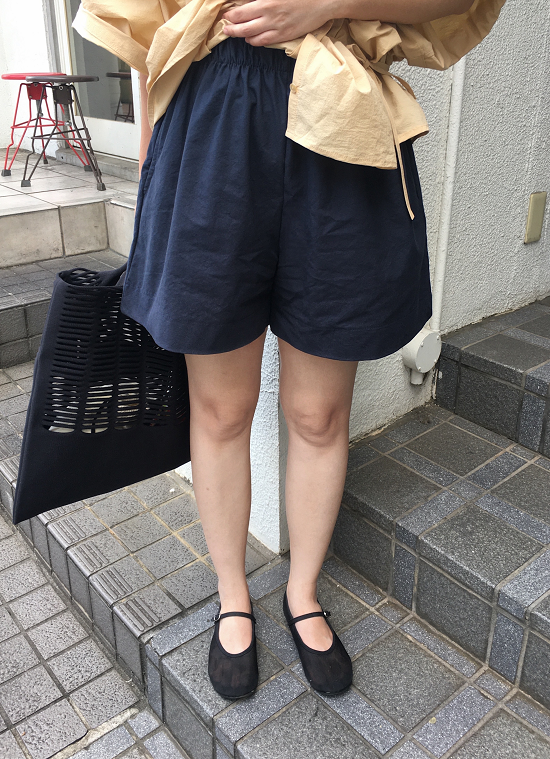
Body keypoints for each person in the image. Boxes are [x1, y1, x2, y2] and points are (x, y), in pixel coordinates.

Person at [73, 0, 506, 698]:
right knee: (221, 409)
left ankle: (302, 591)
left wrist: (334, 3)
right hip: (212, 113)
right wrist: (153, 165)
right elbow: (143, 27)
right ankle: (232, 593)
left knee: (318, 414)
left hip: (343, 121)